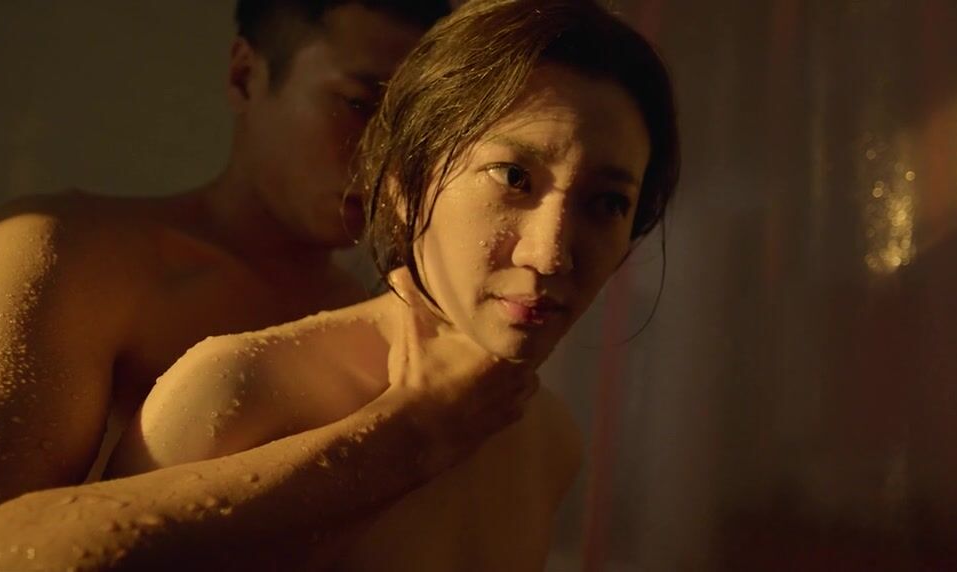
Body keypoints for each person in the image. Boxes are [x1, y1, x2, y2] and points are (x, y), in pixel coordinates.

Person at [0, 1, 453, 569]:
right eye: (358, 105)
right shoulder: (77, 256)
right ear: (244, 76)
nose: (390, 159)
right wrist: (400, 443)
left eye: (417, 126)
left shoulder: (400, 330)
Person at [105, 0, 681, 569]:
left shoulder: (551, 442)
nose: (551, 254)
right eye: (512, 177)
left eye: (608, 203)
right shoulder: (233, 392)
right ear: (405, 181)